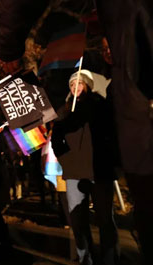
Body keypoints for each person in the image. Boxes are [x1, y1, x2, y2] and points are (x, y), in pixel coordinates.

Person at [95, 1, 153, 263]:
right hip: (125, 160)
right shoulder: (105, 93)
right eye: (105, 49)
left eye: (111, 47)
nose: (109, 52)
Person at [51, 70, 119, 265]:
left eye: (79, 83)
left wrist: (110, 158)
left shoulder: (101, 105)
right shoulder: (64, 111)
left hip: (100, 170)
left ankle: (110, 259)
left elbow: (113, 134)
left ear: (87, 85)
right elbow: (56, 140)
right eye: (72, 85)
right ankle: (85, 258)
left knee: (105, 219)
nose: (75, 87)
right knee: (77, 221)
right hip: (74, 172)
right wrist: (65, 158)